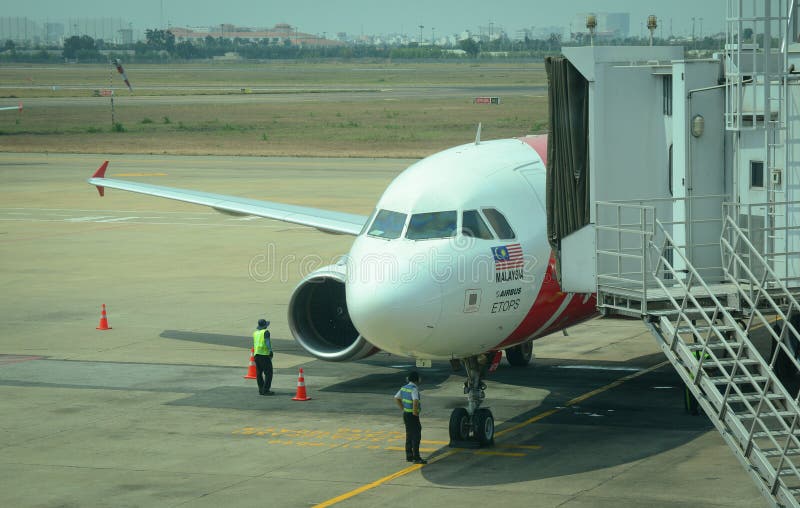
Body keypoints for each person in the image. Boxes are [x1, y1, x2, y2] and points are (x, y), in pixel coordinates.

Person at [394, 371, 427, 464]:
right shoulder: (414, 389)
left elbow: (396, 398)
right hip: (412, 415)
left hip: (406, 414)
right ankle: (416, 457)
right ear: (417, 379)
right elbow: (415, 401)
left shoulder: (404, 388)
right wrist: (415, 412)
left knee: (409, 434)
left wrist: (402, 408)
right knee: (416, 435)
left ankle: (409, 456)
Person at [253, 319, 274, 396]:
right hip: (264, 355)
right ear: (265, 325)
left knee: (259, 373)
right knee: (269, 373)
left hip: (256, 355)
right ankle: (266, 390)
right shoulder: (266, 332)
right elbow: (267, 342)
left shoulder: (255, 333)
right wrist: (270, 351)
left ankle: (261, 389)